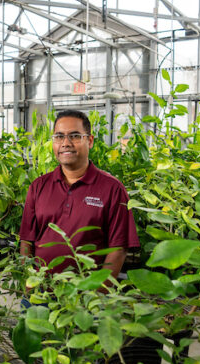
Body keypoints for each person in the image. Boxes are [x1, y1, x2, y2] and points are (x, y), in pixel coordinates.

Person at [19, 109, 139, 277]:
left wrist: (99, 292)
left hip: (85, 296)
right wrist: (28, 280)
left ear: (89, 141)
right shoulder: (38, 186)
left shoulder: (112, 189)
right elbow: (27, 240)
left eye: (74, 136)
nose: (65, 143)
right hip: (40, 293)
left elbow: (118, 249)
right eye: (59, 137)